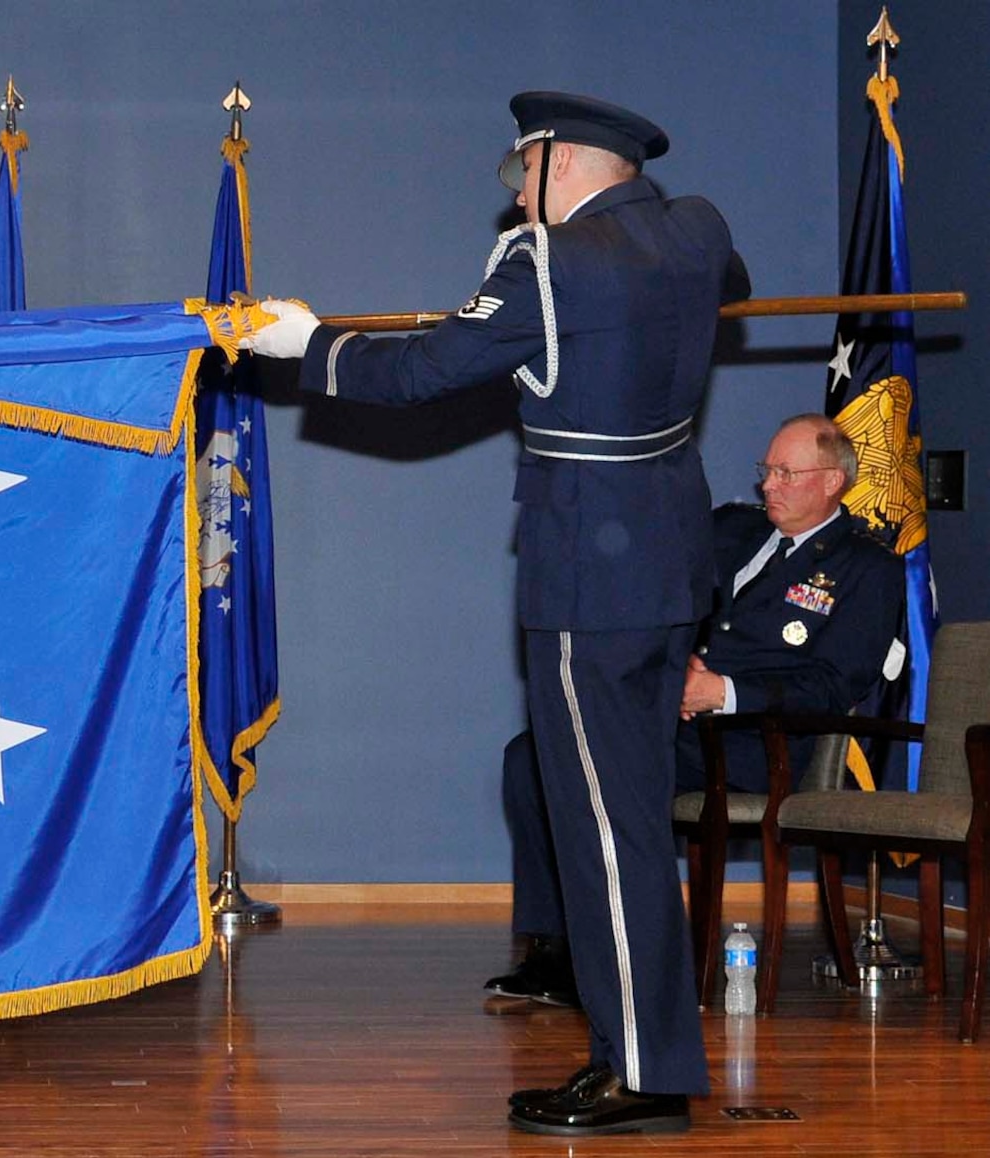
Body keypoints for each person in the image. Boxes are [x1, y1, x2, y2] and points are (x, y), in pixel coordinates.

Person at [242, 92, 751, 1136]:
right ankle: (639, 1052)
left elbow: (421, 372)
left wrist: (308, 343)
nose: (512, 192)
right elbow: (722, 285)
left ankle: (644, 1073)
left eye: (519, 172)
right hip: (669, 559)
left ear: (559, 163)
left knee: (600, 832)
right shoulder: (693, 228)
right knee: (628, 822)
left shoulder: (549, 267)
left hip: (585, 573)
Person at [491, 414, 905, 1011]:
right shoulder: (732, 531)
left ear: (833, 482)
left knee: (608, 771)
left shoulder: (867, 567)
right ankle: (554, 952)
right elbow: (656, 587)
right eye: (767, 470)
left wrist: (726, 692)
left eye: (787, 473)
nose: (770, 485)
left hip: (756, 744)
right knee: (532, 757)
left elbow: (836, 682)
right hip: (670, 718)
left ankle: (628, 964)